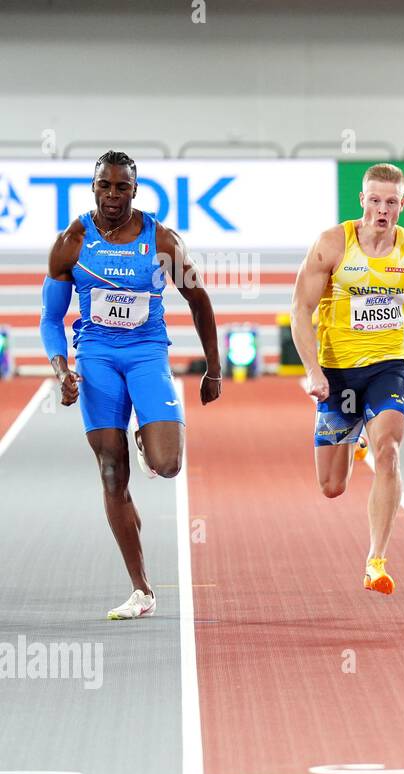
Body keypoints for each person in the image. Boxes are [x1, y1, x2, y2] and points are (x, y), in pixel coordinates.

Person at [40, 150, 223, 619]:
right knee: (110, 473)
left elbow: (199, 301)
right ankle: (141, 589)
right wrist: (62, 370)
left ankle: (147, 437)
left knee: (168, 465)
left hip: (146, 355)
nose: (114, 195)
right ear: (94, 187)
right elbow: (50, 318)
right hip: (97, 357)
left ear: (135, 190)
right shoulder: (71, 242)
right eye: (106, 186)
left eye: (123, 187)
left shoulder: (161, 239)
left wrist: (214, 367)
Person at [290, 163, 404, 596]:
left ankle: (376, 560)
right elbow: (300, 309)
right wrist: (313, 371)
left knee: (388, 451)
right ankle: (352, 438)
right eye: (374, 200)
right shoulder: (333, 244)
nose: (382, 210)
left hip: (387, 365)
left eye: (391, 202)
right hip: (337, 372)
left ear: (402, 205)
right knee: (332, 487)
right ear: (362, 201)